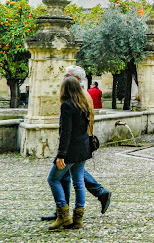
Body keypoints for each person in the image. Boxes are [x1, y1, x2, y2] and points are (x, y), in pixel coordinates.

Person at [41, 66, 111, 222]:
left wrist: (62, 153)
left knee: (58, 178)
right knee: (75, 178)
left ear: (76, 79)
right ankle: (70, 212)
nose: (64, 77)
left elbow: (69, 130)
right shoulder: (82, 97)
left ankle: (64, 212)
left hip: (74, 146)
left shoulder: (76, 99)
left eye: (67, 75)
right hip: (82, 144)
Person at [46, 77, 92, 230]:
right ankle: (78, 219)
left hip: (72, 149)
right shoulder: (83, 104)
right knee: (78, 182)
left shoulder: (67, 106)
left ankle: (63, 216)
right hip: (83, 147)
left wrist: (61, 155)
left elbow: (66, 132)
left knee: (53, 179)